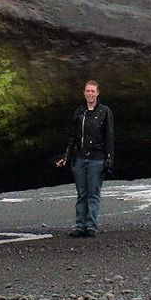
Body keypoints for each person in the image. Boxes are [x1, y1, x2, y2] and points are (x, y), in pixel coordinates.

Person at [56, 80, 114, 237]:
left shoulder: (104, 112)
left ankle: (91, 225)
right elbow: (73, 137)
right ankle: (80, 225)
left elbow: (109, 136)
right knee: (82, 193)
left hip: (97, 158)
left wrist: (109, 159)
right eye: (88, 91)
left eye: (93, 91)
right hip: (80, 159)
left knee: (93, 192)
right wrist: (66, 156)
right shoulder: (79, 112)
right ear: (84, 93)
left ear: (97, 93)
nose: (90, 94)